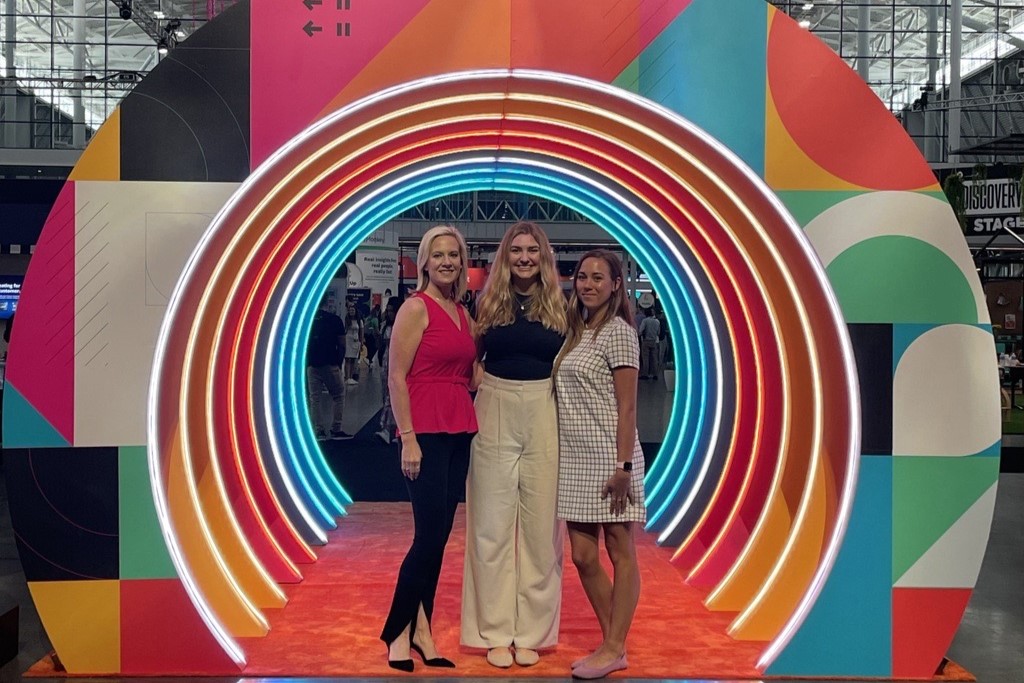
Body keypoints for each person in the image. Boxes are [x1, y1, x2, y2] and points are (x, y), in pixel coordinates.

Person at [461, 222, 567, 668]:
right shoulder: (486, 305)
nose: (525, 258)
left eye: (532, 251)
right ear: (505, 257)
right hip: (494, 407)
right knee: (490, 526)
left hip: (545, 406)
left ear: (544, 257)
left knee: (542, 529)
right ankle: (494, 632)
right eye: (516, 251)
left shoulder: (564, 307)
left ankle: (533, 634)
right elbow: (470, 363)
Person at [381, 225, 478, 672]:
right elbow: (396, 376)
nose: (446, 261)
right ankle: (398, 631)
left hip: (458, 430)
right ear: (423, 262)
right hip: (424, 431)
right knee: (427, 536)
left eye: (453, 255)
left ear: (462, 261)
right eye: (437, 255)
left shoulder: (461, 312)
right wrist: (409, 438)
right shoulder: (414, 309)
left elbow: (471, 374)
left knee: (439, 536)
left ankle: (423, 628)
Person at [553, 249, 645, 679]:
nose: (588, 284)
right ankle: (615, 643)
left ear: (615, 285)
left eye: (598, 277)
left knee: (619, 550)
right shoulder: (578, 331)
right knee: (583, 556)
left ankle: (612, 647)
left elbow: (628, 408)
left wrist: (624, 467)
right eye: (582, 276)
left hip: (611, 458)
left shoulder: (619, 332)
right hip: (575, 461)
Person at [306, 297, 354, 440]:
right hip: (330, 363)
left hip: (312, 364)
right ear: (326, 303)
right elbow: (342, 344)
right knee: (338, 395)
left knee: (315, 398)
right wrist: (338, 362)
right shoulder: (334, 320)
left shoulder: (308, 320)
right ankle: (336, 428)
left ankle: (319, 430)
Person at [375, 298, 399, 444]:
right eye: (388, 310)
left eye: (391, 310)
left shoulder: (402, 325)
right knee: (386, 395)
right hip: (386, 362)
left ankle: (390, 429)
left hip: (396, 363)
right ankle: (389, 430)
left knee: (393, 397)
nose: (389, 313)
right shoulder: (386, 326)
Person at [343, 302, 364, 385]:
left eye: (353, 310)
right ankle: (347, 377)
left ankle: (351, 377)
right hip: (348, 340)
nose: (351, 311)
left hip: (355, 341)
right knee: (347, 358)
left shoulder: (359, 321)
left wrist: (361, 342)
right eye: (350, 310)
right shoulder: (346, 320)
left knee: (353, 359)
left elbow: (361, 331)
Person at [638, 310, 660, 380]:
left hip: (646, 341)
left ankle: (645, 374)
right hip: (654, 341)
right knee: (654, 358)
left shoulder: (645, 321)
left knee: (645, 358)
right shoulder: (657, 321)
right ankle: (655, 374)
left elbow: (640, 331)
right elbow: (658, 333)